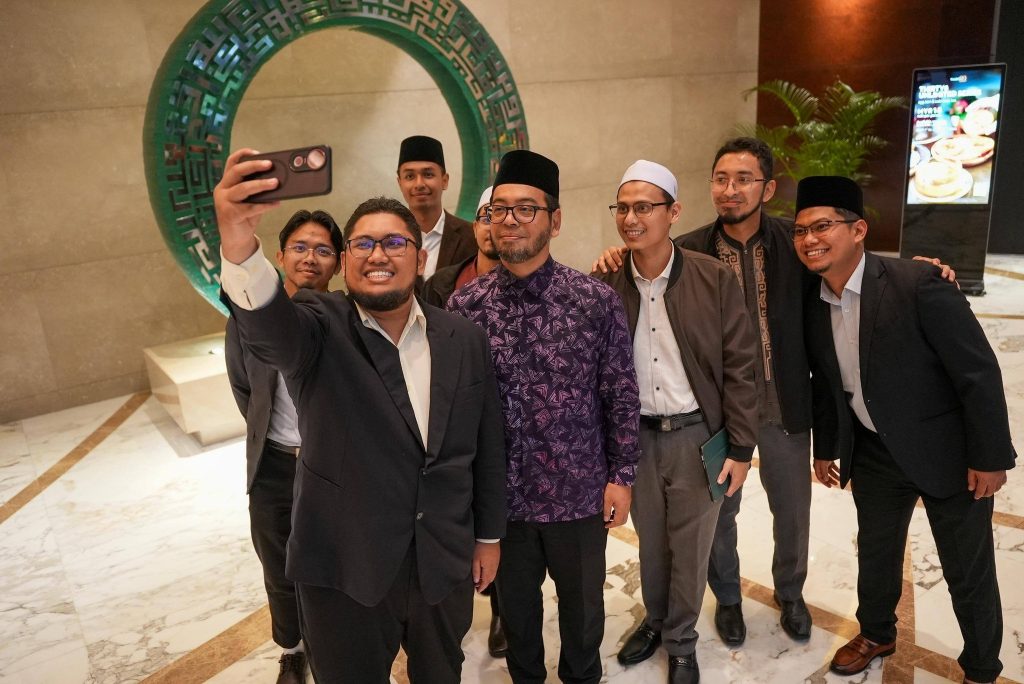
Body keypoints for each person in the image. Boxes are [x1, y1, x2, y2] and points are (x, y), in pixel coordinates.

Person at [591, 137, 956, 646]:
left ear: (767, 188)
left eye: (744, 179)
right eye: (721, 179)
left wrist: (919, 269)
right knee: (720, 515)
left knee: (792, 510)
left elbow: (853, 262)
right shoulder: (691, 249)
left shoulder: (798, 242)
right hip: (717, 414)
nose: (731, 190)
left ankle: (790, 593)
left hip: (785, 405)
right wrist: (618, 252)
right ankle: (729, 598)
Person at [214, 148, 507, 684]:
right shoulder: (318, 326)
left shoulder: (463, 337)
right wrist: (238, 241)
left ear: (421, 260)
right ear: (345, 261)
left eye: (395, 242)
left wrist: (488, 536)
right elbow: (269, 328)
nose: (379, 254)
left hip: (441, 562)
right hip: (345, 567)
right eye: (363, 243)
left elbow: (485, 445)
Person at [795, 175, 1016, 683]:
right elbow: (826, 381)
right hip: (873, 450)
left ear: (859, 230)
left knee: (967, 569)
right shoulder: (812, 300)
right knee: (875, 553)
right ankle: (876, 632)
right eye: (801, 230)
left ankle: (982, 667)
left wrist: (989, 458)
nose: (810, 239)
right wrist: (826, 447)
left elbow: (978, 372)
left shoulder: (918, 283)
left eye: (823, 226)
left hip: (948, 452)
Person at [448, 149, 641, 684]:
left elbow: (620, 394)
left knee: (584, 614)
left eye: (526, 209)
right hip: (503, 503)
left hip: (578, 494)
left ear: (554, 221)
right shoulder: (466, 310)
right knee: (516, 618)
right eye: (499, 210)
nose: (509, 220)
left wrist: (622, 475)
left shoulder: (594, 302)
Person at [595, 160, 759, 684]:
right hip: (635, 439)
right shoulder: (605, 282)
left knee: (691, 545)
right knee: (651, 540)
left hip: (695, 436)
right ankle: (657, 620)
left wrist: (741, 448)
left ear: (674, 212)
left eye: (644, 207)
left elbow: (741, 365)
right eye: (623, 208)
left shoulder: (712, 277)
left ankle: (682, 642)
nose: (631, 218)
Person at [224, 208, 342, 684]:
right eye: (300, 247)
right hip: (274, 464)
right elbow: (244, 387)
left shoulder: (345, 318)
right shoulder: (247, 319)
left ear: (338, 263)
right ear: (279, 256)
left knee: (337, 560)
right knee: (278, 565)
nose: (310, 258)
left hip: (331, 466)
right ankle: (292, 650)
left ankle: (336, 642)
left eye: (323, 250)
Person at [396, 135, 476, 279]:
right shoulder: (390, 239)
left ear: (444, 181)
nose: (419, 184)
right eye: (410, 176)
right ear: (400, 183)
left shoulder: (472, 237)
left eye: (428, 174)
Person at [423, 186, 500, 309]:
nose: (492, 228)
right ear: (475, 228)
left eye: (500, 221)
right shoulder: (439, 284)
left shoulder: (525, 286)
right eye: (486, 219)